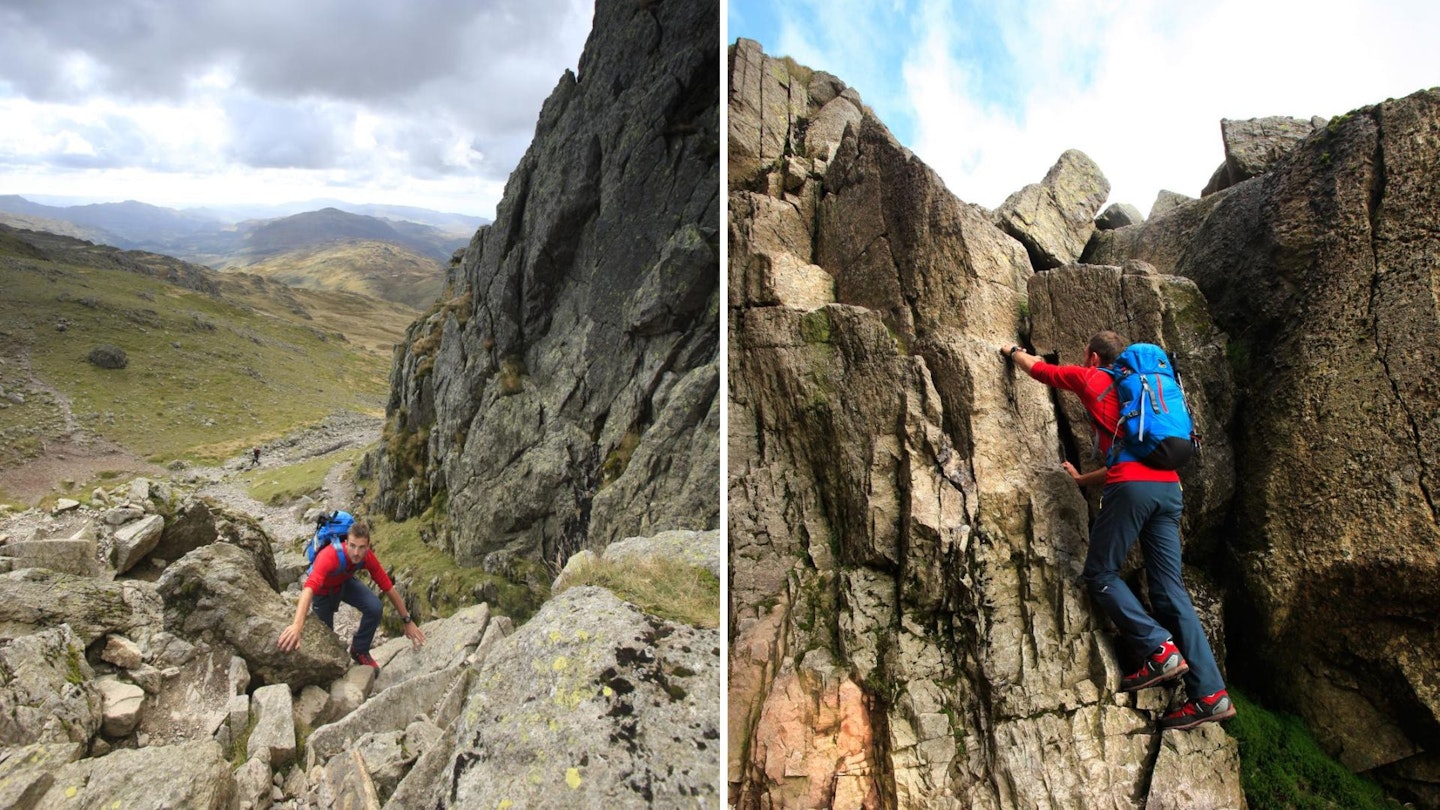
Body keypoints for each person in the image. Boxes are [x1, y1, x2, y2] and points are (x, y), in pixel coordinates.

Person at [1002, 332, 1234, 731]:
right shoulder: (1146, 402)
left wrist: (1014, 352)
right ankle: (1211, 695)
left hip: (1131, 489)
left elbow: (1042, 371)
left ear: (1094, 357)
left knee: (1100, 573)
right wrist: (1081, 482)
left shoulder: (1095, 378)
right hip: (1168, 490)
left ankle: (1158, 650)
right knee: (1170, 591)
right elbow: (1123, 463)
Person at [276, 520, 425, 668]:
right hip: (323, 592)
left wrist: (407, 620)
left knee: (375, 607)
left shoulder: (367, 557)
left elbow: (388, 588)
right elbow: (308, 589)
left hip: (344, 582)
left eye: (361, 548)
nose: (356, 552)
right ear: (346, 542)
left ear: (368, 547)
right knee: (327, 640)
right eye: (352, 546)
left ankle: (359, 650)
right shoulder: (329, 557)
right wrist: (296, 626)